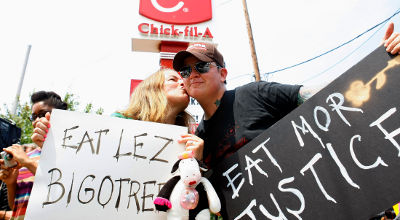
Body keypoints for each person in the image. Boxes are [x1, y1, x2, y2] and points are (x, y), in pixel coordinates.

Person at [172, 23, 400, 168]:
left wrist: (377, 64)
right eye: (185, 71)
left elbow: (325, 95)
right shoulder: (198, 138)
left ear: (222, 73)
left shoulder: (255, 94)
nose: (192, 74)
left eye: (201, 67)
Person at [0, 91, 67, 220]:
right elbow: (15, 206)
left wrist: (27, 163)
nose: (36, 121)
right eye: (33, 116)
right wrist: (11, 183)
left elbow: (65, 189)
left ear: (61, 116)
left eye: (42, 114)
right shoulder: (27, 156)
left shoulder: (66, 154)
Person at [112, 68, 205, 159]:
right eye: (172, 79)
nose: (183, 83)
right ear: (151, 89)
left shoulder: (187, 143)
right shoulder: (119, 122)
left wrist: (195, 161)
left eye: (182, 80)